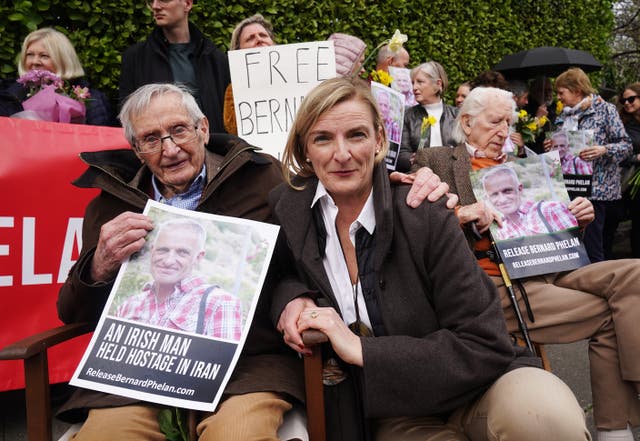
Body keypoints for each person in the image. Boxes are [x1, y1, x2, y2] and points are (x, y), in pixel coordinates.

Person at [55, 81, 455, 440]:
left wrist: (396, 181)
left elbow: (322, 230)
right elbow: (72, 312)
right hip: (138, 370)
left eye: (179, 130)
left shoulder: (262, 180)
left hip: (246, 366)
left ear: (203, 129)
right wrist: (98, 265)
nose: (171, 148)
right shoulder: (109, 207)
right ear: (137, 150)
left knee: (239, 434)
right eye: (151, 138)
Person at [271, 77, 589, 441]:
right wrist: (292, 297)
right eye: (322, 138)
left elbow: (486, 342)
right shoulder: (289, 211)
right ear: (305, 149)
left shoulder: (423, 210)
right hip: (396, 408)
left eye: (356, 135)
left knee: (548, 420)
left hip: (483, 386)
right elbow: (267, 273)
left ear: (379, 140)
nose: (341, 153)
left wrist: (363, 349)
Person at [414, 86, 640, 441]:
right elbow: (415, 223)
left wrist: (576, 219)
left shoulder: (527, 164)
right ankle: (615, 430)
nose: (504, 131)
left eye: (508, 122)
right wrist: (460, 213)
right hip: (491, 283)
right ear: (468, 122)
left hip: (545, 268)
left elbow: (552, 233)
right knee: (610, 315)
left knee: (634, 273)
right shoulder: (436, 160)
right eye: (494, 122)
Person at [551, 67, 632, 262]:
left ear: (577, 90)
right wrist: (552, 143)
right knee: (569, 244)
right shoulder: (564, 115)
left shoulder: (605, 109)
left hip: (595, 189)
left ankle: (598, 286)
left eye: (561, 92)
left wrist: (603, 150)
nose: (558, 98)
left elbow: (626, 145)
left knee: (593, 245)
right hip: (567, 186)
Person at [115, 218, 242, 340]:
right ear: (152, 250)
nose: (168, 261)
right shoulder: (130, 305)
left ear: (198, 257)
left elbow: (221, 360)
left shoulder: (220, 303)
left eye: (182, 252)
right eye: (163, 250)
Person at [118, 0, 230, 133]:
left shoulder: (216, 59)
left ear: (187, 4)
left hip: (213, 149)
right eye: (151, 1)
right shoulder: (135, 58)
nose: (155, 6)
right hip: (161, 151)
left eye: (164, 0)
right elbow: (127, 118)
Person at [0, 27, 113, 126]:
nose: (35, 62)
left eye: (44, 56)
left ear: (63, 60)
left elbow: (100, 142)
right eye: (30, 55)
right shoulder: (9, 95)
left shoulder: (90, 100)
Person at [480, 165, 578, 240]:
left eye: (507, 191)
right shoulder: (501, 230)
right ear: (488, 198)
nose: (502, 199)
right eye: (494, 195)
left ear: (520, 189)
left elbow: (577, 246)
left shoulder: (550, 209)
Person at [397, 61, 458, 172]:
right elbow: (402, 154)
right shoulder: (407, 116)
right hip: (420, 175)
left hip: (453, 174)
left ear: (438, 84)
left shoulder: (457, 115)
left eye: (420, 82)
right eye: (413, 83)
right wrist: (412, 159)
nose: (414, 87)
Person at [223, 13, 276, 134]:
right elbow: (234, 130)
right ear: (238, 51)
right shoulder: (234, 91)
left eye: (263, 35)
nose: (259, 39)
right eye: (250, 38)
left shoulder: (298, 80)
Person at [619, 82, 640, 257]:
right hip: (633, 183)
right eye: (623, 100)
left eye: (631, 99)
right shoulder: (624, 125)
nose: (626, 103)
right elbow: (620, 156)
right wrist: (637, 158)